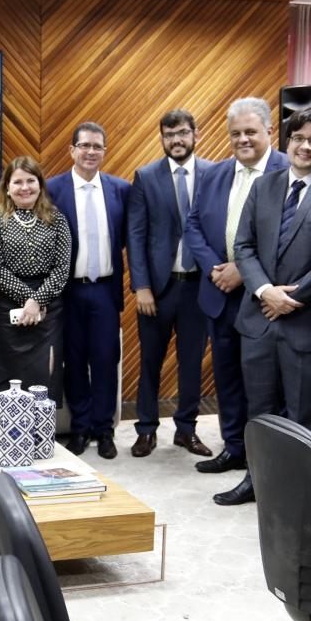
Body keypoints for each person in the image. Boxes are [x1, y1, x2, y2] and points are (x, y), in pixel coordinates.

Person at [222, 107, 311, 505]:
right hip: (257, 319)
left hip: (304, 322)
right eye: (298, 138)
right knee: (259, 411)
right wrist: (264, 291)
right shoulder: (265, 186)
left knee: (303, 413)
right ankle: (256, 482)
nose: (304, 146)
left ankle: (302, 491)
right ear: (286, 141)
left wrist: (292, 297)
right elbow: (244, 246)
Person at [183, 97, 288, 488]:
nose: (243, 139)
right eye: (235, 133)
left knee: (263, 384)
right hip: (219, 293)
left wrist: (242, 271)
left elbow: (289, 237)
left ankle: (266, 461)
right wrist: (216, 268)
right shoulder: (215, 173)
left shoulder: (287, 170)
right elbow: (192, 224)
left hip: (263, 299)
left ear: (268, 132)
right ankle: (234, 446)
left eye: (250, 132)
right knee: (226, 376)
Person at [126, 109, 214, 460]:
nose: (176, 140)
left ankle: (187, 430)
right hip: (158, 289)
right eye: (168, 135)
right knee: (150, 361)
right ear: (161, 138)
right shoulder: (146, 177)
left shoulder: (214, 174)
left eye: (182, 133)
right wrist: (141, 286)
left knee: (191, 362)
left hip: (199, 287)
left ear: (195, 134)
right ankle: (146, 430)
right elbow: (136, 235)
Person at [46, 122, 128, 459]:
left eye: (97, 146)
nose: (91, 152)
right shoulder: (53, 190)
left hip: (106, 290)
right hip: (69, 292)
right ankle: (80, 428)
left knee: (107, 361)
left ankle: (104, 430)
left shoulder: (121, 189)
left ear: (104, 151)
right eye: (85, 146)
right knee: (74, 360)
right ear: (72, 150)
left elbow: (130, 238)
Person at [0, 156, 71, 405]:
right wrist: (29, 300)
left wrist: (38, 300)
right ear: (7, 188)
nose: (25, 187)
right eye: (17, 182)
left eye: (30, 180)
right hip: (6, 306)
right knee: (2, 375)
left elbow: (62, 269)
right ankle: (3, 440)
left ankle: (40, 440)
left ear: (40, 185)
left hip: (48, 309)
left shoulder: (57, 219)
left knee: (43, 375)